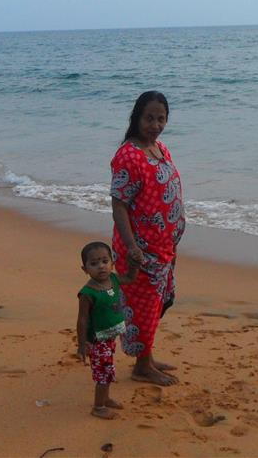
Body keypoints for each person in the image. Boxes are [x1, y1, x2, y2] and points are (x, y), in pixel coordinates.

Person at [110, 91, 185, 386]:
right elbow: (119, 204)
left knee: (157, 303)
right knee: (142, 307)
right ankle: (142, 367)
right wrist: (131, 247)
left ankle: (148, 358)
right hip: (141, 250)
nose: (155, 124)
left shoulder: (161, 148)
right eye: (149, 118)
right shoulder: (128, 155)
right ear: (137, 118)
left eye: (161, 118)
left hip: (164, 246)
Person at [76, 241, 138, 420]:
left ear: (112, 263)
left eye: (104, 261)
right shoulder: (87, 293)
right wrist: (82, 345)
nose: (101, 267)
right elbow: (82, 320)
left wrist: (135, 264)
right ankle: (98, 406)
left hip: (110, 336)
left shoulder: (114, 280)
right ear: (85, 268)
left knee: (109, 369)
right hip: (97, 340)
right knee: (103, 374)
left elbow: (131, 278)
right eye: (94, 264)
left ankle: (106, 398)